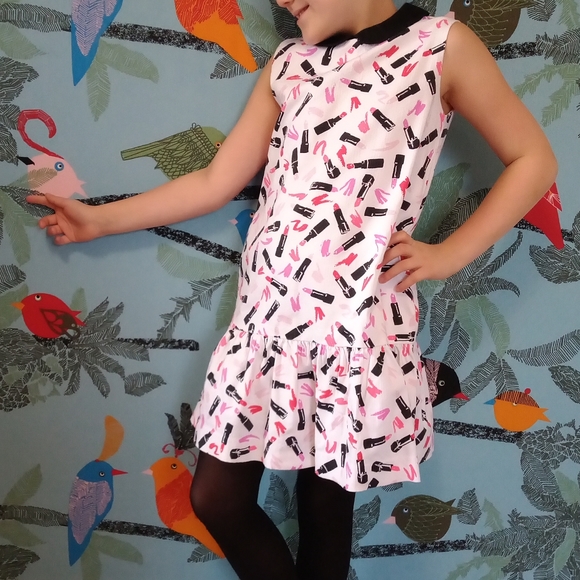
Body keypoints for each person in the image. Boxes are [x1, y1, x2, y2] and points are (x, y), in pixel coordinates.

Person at [28, 0, 557, 578]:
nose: (280, 0)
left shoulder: (440, 46)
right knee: (216, 498)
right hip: (265, 324)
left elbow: (533, 159)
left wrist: (449, 255)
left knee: (325, 514)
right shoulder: (288, 64)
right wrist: (100, 220)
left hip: (352, 330)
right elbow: (215, 180)